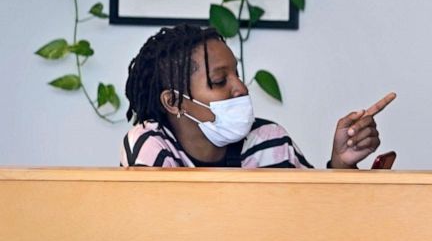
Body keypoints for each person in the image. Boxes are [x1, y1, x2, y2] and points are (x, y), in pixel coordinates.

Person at [121, 24, 395, 169]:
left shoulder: (269, 140)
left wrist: (340, 164)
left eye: (237, 74)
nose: (241, 87)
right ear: (174, 102)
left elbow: (317, 218)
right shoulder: (151, 145)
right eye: (219, 80)